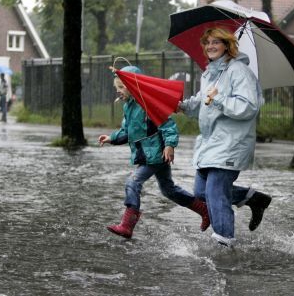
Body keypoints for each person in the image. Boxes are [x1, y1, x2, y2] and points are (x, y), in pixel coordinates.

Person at [178, 28, 272, 247]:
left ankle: (224, 244)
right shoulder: (211, 73)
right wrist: (183, 107)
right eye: (207, 42)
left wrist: (219, 99)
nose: (210, 46)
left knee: (215, 192)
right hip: (211, 143)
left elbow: (249, 107)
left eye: (216, 42)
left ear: (227, 45)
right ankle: (254, 198)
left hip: (231, 142)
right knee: (201, 192)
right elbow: (203, 102)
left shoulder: (239, 71)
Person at [98, 65, 209, 239]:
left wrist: (169, 145)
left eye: (121, 87)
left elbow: (168, 125)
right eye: (116, 88)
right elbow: (127, 131)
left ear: (133, 86)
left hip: (155, 155)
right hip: (148, 155)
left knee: (133, 182)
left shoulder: (147, 103)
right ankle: (204, 210)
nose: (118, 91)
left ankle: (127, 225)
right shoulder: (128, 107)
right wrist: (112, 138)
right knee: (168, 190)